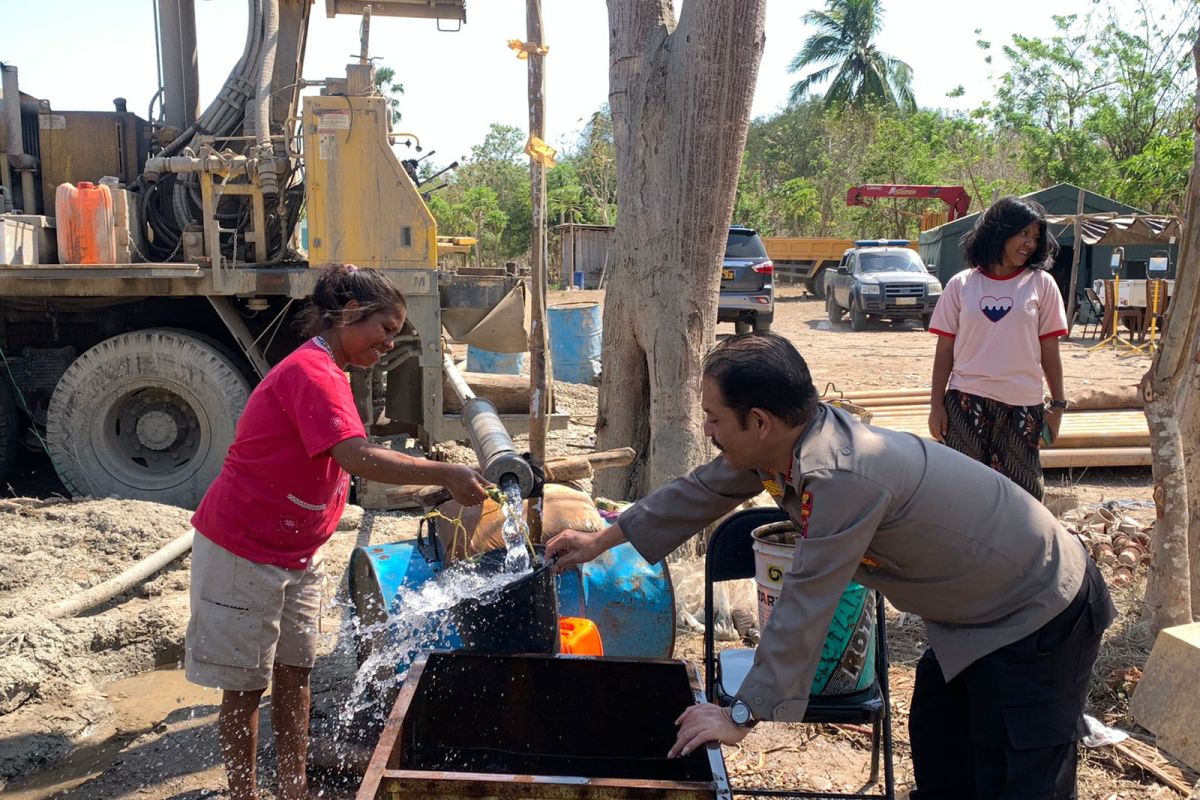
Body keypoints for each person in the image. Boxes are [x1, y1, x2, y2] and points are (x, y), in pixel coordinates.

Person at [546, 333, 1114, 800]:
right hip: (969, 615)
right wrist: (602, 541)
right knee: (946, 756)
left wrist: (741, 713)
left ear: (761, 421)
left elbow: (808, 597)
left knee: (1017, 780)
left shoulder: (842, 475)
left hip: (1038, 609)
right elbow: (699, 490)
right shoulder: (786, 445)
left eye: (714, 419)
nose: (708, 431)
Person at [185, 264, 488, 800]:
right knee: (246, 685)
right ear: (349, 315)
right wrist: (443, 473)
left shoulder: (335, 372)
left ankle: (294, 789)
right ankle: (244, 794)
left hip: (297, 550)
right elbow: (356, 455)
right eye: (386, 329)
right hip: (244, 546)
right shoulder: (313, 372)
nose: (389, 343)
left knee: (295, 671)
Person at [926, 196, 1070, 500]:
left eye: (1035, 237)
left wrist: (1057, 406)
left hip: (1023, 405)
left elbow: (1050, 351)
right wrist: (936, 406)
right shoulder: (961, 285)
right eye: (1023, 234)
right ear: (999, 231)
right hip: (966, 401)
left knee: (1024, 495)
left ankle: (1017, 548)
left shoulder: (1041, 284)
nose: (1030, 243)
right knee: (962, 492)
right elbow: (944, 352)